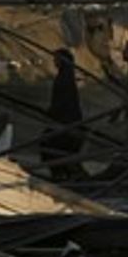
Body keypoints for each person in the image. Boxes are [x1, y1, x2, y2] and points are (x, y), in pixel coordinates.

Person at [42, 47, 85, 181]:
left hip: (66, 122)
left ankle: (61, 174)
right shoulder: (66, 75)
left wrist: (52, 111)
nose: (54, 61)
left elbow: (64, 100)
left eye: (57, 59)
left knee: (50, 144)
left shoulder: (65, 78)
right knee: (60, 148)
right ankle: (65, 173)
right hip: (66, 120)